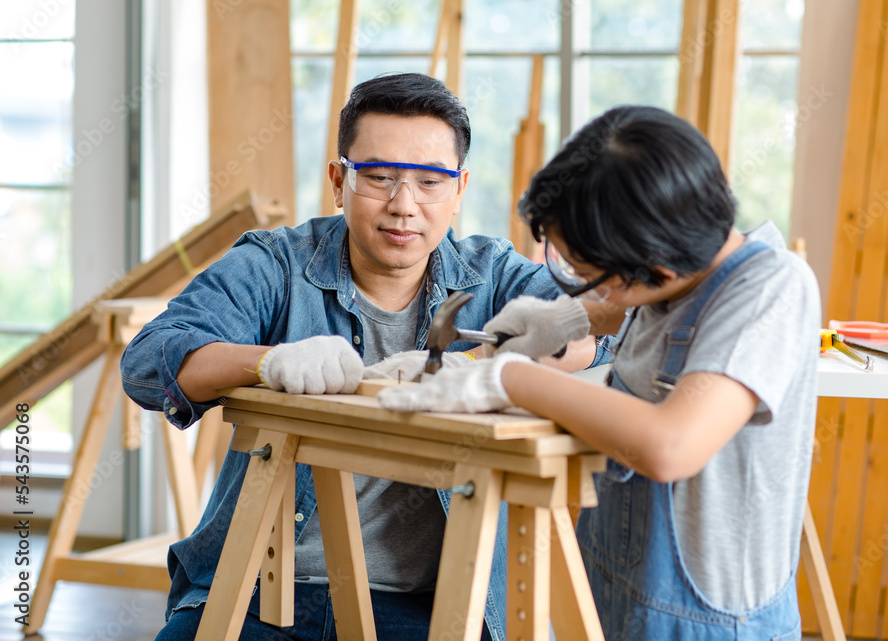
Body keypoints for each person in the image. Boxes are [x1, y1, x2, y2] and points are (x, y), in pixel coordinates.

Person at [121, 72, 608, 640]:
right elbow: (149, 361)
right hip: (258, 588)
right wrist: (269, 362)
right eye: (378, 177)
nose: (404, 206)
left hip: (427, 607)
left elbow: (593, 327)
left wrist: (478, 372)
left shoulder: (492, 274)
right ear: (338, 180)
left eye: (431, 182)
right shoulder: (278, 263)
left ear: (459, 189)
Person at [379, 105, 821, 640]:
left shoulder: (771, 290)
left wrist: (510, 379)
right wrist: (559, 318)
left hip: (710, 622)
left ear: (654, 260)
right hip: (613, 593)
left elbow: (670, 446)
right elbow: (625, 305)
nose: (587, 287)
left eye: (592, 276)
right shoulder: (672, 279)